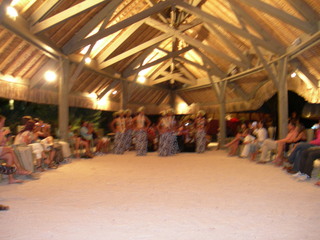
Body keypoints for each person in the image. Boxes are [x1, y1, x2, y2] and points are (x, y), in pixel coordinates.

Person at [0, 115, 32, 183]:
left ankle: (11, 179)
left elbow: (2, 144)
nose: (3, 124)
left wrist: (7, 139)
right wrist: (3, 134)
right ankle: (19, 169)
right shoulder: (1, 132)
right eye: (2, 122)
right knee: (10, 150)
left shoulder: (1, 131)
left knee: (9, 156)